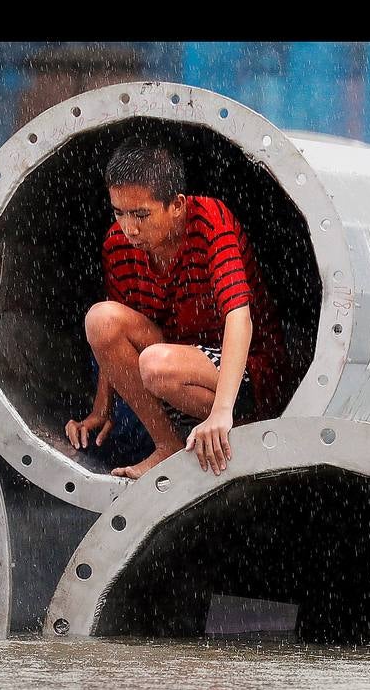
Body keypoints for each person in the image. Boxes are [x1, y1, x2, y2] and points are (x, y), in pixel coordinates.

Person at [65, 137, 290, 480]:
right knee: (101, 318)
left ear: (177, 205)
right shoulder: (118, 244)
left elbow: (239, 317)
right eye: (119, 212)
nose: (130, 228)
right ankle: (167, 445)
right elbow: (112, 343)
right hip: (174, 365)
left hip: (244, 370)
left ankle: (244, 425)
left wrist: (221, 412)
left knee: (156, 365)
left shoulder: (210, 221)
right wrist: (101, 409)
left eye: (141, 214)